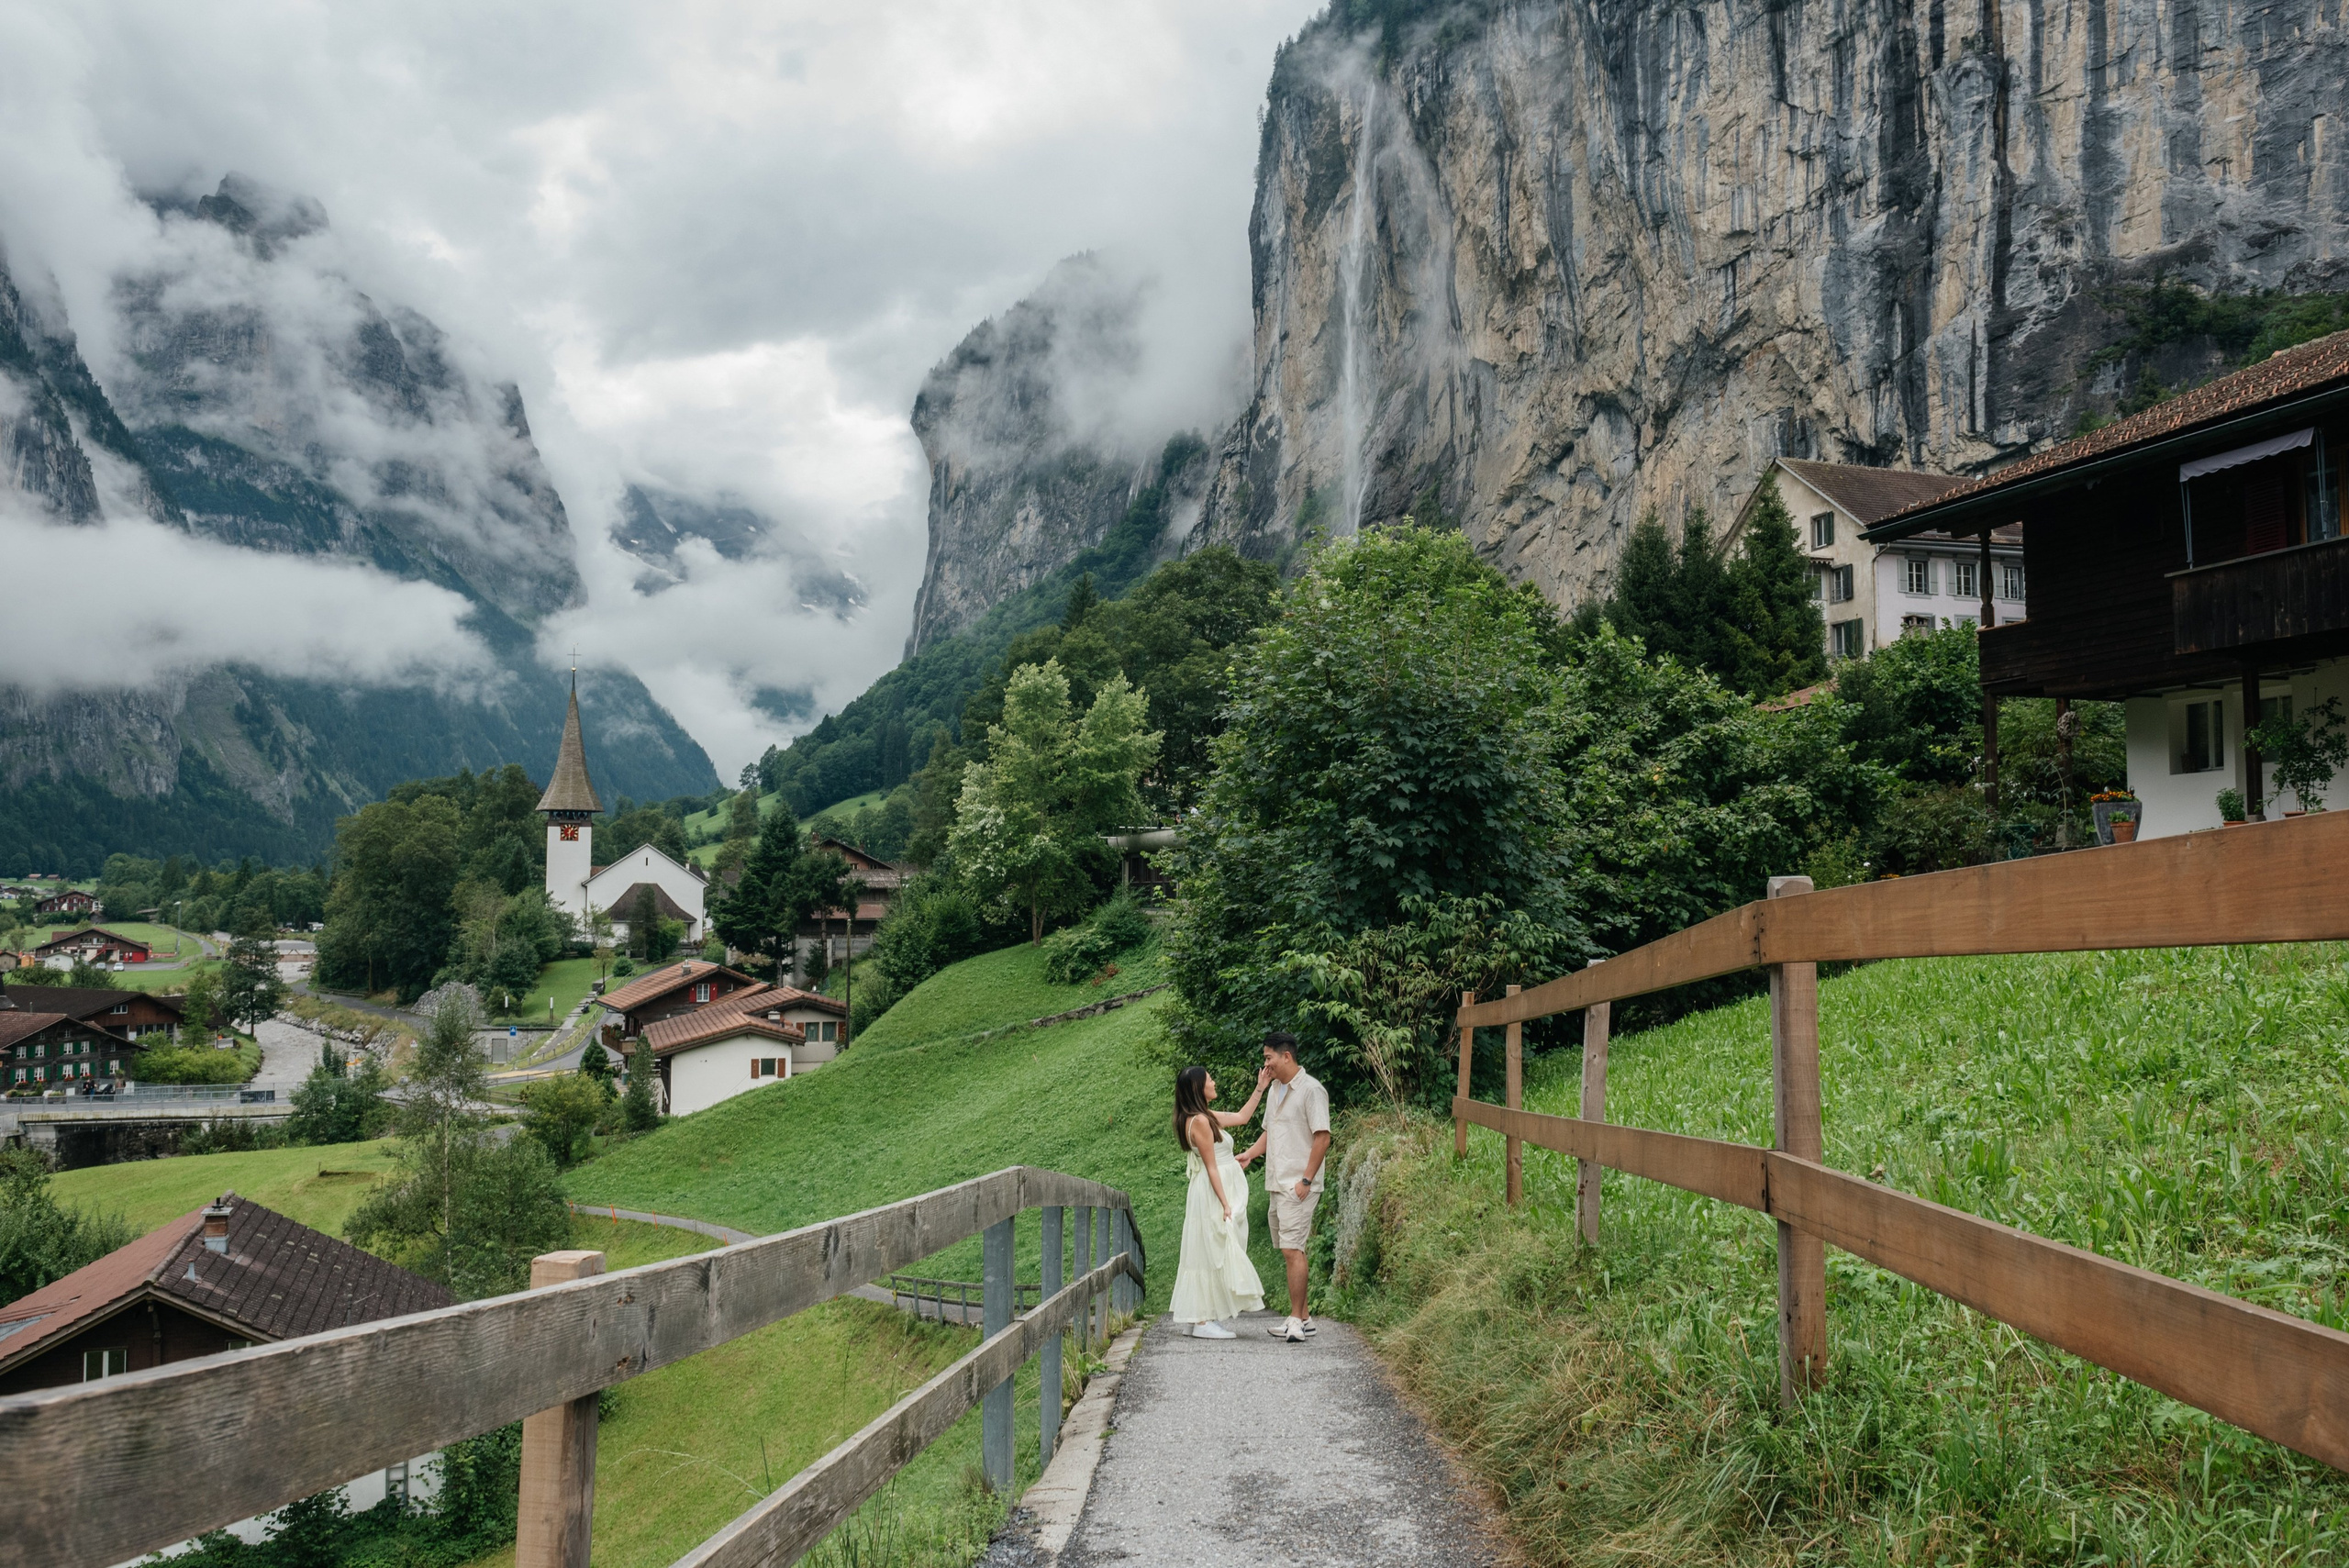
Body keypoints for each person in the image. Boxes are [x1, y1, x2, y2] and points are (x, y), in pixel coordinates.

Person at [1236, 1031, 1330, 1344]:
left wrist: (1306, 1180)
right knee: (1290, 1249)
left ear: (1285, 1056)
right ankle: (1304, 1318)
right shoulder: (1275, 1089)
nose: (1265, 1064)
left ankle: (1295, 1321)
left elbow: (1322, 1137)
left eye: (1268, 1058)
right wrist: (1250, 1153)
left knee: (1292, 1250)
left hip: (1298, 1185)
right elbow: (1270, 1133)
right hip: (1277, 1183)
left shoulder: (1311, 1090)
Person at [1167, 1063, 1266, 1339]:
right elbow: (1211, 1166)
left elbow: (1243, 1117)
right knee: (1214, 1247)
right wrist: (1225, 1203)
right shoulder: (1199, 1121)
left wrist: (1261, 1086)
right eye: (1210, 1079)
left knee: (1209, 1247)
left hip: (1217, 1185)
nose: (1214, 1081)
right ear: (1200, 1088)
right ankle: (1202, 1321)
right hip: (1214, 1189)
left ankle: (1199, 1315)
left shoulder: (1204, 1116)